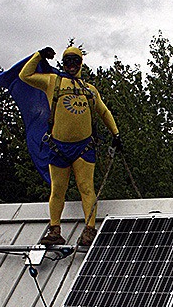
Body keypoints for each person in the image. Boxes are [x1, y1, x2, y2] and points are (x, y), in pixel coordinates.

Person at [19, 45, 122, 247]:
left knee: (86, 188)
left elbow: (103, 111)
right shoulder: (52, 81)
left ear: (81, 63)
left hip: (83, 147)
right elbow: (25, 75)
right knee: (57, 189)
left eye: (75, 61)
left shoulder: (90, 90)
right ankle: (55, 229)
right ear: (63, 64)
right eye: (68, 61)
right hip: (58, 146)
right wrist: (38, 55)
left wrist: (116, 134)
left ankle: (90, 229)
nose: (72, 65)